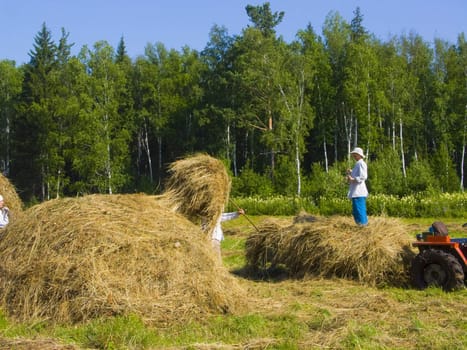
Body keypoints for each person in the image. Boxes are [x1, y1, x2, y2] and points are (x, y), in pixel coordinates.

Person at [346, 147, 368, 226]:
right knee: (356, 210)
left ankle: (363, 226)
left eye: (355, 155)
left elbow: (363, 176)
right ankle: (360, 225)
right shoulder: (358, 164)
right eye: (353, 155)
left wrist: (352, 179)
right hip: (356, 192)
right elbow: (358, 174)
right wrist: (351, 172)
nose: (354, 156)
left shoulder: (361, 163)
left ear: (359, 155)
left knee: (360, 210)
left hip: (359, 192)